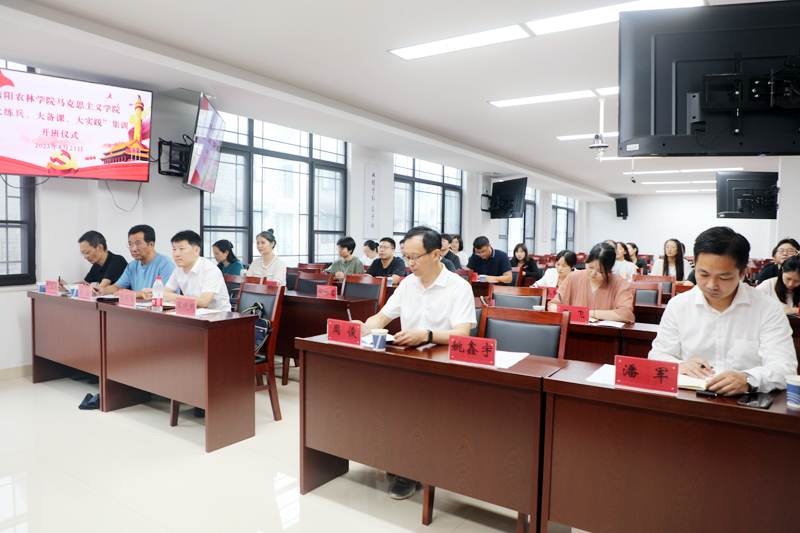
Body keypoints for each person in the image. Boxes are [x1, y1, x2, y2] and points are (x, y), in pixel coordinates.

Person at [357, 226, 476, 500]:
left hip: (445, 365)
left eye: (415, 257)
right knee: (375, 393)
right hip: (409, 361)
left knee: (412, 403)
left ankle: (409, 469)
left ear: (435, 254)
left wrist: (427, 335)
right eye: (406, 257)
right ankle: (396, 457)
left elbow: (462, 334)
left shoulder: (459, 287)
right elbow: (382, 318)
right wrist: (363, 327)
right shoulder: (407, 284)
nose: (409, 263)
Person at [649, 226, 797, 396]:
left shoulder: (768, 309)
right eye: (704, 274)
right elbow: (658, 355)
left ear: (743, 273)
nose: (711, 285)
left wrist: (748, 379)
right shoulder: (678, 305)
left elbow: (784, 366)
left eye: (724, 277)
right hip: (690, 399)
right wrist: (679, 366)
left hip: (746, 403)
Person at [142, 230, 230, 312]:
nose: (176, 254)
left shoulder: (210, 269)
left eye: (181, 249)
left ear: (196, 250)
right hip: (193, 314)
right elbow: (165, 291)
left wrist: (170, 297)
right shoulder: (178, 270)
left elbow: (204, 302)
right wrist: (152, 293)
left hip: (219, 317)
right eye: (174, 249)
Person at [548, 242, 635, 323]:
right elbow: (553, 305)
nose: (593, 273)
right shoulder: (573, 277)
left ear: (610, 269)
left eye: (600, 271)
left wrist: (589, 313)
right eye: (590, 267)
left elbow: (626, 314)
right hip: (574, 330)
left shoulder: (620, 284)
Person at [93, 225, 175, 298]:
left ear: (151, 245)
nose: (133, 249)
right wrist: (102, 290)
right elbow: (117, 287)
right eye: (130, 245)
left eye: (138, 244)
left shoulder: (165, 264)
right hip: (139, 307)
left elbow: (163, 293)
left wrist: (134, 294)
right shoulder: (132, 266)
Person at [61, 230, 128, 289]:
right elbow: (84, 283)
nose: (85, 257)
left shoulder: (117, 261)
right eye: (83, 254)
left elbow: (101, 287)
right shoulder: (97, 265)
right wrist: (66, 286)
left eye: (86, 252)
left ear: (100, 247)